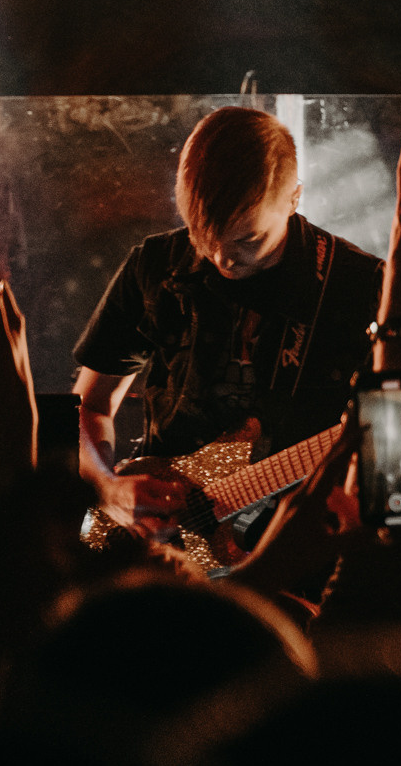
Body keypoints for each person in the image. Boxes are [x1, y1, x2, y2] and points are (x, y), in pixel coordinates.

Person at [73, 106, 385, 562]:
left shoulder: (357, 285)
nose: (221, 257)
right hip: (169, 551)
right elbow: (90, 405)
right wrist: (107, 486)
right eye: (204, 234)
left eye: (247, 240)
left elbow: (395, 455)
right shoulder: (156, 264)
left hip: (302, 557)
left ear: (295, 199)